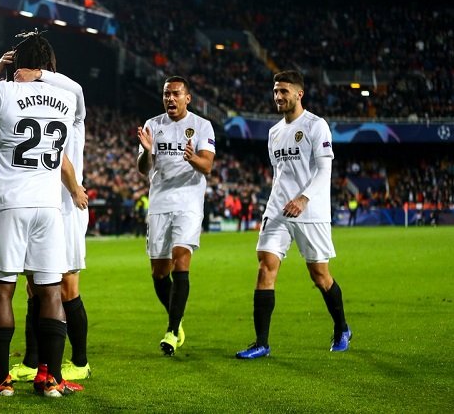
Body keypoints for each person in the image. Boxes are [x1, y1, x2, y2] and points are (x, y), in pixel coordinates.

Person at [0, 31, 85, 397]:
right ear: (48, 66)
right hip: (49, 206)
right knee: (50, 292)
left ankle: (0, 379)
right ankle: (51, 378)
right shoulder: (66, 99)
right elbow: (73, 98)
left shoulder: (3, 92)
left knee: (1, 291)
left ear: (17, 64)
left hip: (8, 203)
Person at [235, 70, 351, 360]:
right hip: (278, 209)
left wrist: (303, 198)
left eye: (283, 91)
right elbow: (280, 174)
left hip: (310, 210)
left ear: (299, 94)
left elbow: (324, 169)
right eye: (275, 91)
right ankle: (261, 343)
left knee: (320, 275)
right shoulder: (274, 132)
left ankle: (342, 328)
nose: (278, 96)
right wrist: (281, 200)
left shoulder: (316, 125)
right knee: (265, 266)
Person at [7, 48, 92, 383]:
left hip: (68, 207)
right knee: (34, 288)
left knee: (66, 287)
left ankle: (80, 361)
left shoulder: (68, 102)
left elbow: (78, 91)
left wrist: (39, 75)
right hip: (37, 204)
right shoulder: (29, 105)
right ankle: (33, 361)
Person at [137, 76, 216, 356]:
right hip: (160, 203)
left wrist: (192, 158)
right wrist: (147, 152)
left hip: (188, 203)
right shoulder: (152, 125)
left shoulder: (202, 126)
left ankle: (171, 331)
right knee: (159, 272)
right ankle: (177, 318)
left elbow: (207, 165)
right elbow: (143, 169)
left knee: (181, 257)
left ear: (187, 98)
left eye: (176, 94)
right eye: (166, 94)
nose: (170, 98)